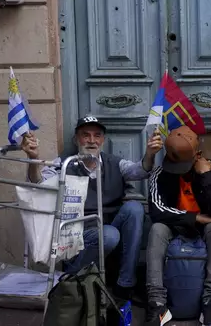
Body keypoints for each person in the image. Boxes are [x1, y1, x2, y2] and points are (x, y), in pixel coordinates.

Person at [21, 115, 163, 299]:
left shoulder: (114, 162)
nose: (91, 140)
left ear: (103, 140)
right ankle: (71, 276)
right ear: (76, 139)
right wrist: (33, 158)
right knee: (110, 234)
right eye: (85, 135)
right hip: (80, 232)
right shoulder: (64, 164)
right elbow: (38, 183)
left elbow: (140, 170)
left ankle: (125, 284)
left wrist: (150, 153)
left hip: (111, 225)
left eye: (97, 136)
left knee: (135, 209)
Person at [143, 125, 211, 326]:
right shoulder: (160, 173)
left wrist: (205, 177)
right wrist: (196, 217)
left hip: (205, 229)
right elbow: (157, 211)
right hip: (174, 227)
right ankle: (157, 304)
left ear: (197, 155)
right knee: (157, 229)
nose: (177, 171)